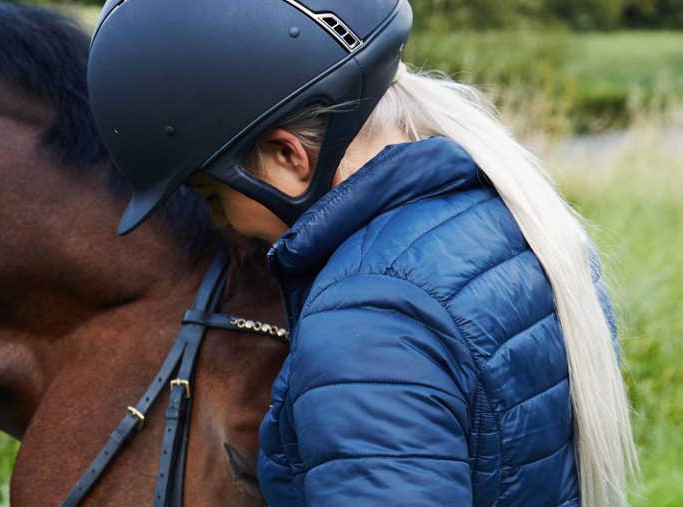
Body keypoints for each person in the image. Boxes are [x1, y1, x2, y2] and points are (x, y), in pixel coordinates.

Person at [86, 0, 638, 505]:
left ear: (288, 157)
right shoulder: (508, 217)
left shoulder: (365, 323)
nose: (220, 221)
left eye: (211, 195)